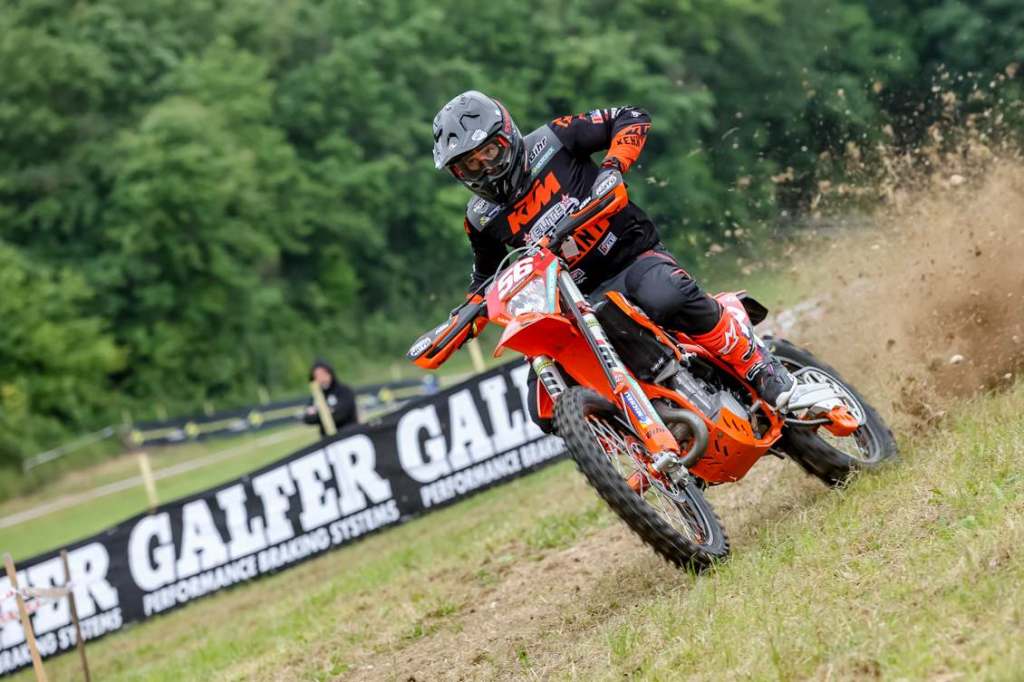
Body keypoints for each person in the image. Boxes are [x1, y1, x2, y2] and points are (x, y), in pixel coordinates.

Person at [431, 91, 797, 431]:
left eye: (489, 152)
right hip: (573, 304)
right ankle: (636, 446)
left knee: (665, 295)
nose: (484, 168)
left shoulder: (554, 138)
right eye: (469, 166)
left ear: (508, 137)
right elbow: (487, 278)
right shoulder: (480, 219)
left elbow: (630, 116)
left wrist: (612, 167)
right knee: (543, 408)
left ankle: (760, 366)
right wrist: (459, 321)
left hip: (630, 258)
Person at [303, 359, 357, 436]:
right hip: (328, 438)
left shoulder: (344, 390)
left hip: (349, 434)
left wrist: (319, 412)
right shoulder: (316, 397)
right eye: (317, 376)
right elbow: (307, 418)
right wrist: (326, 412)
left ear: (330, 373)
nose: (321, 378)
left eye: (323, 373)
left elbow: (341, 414)